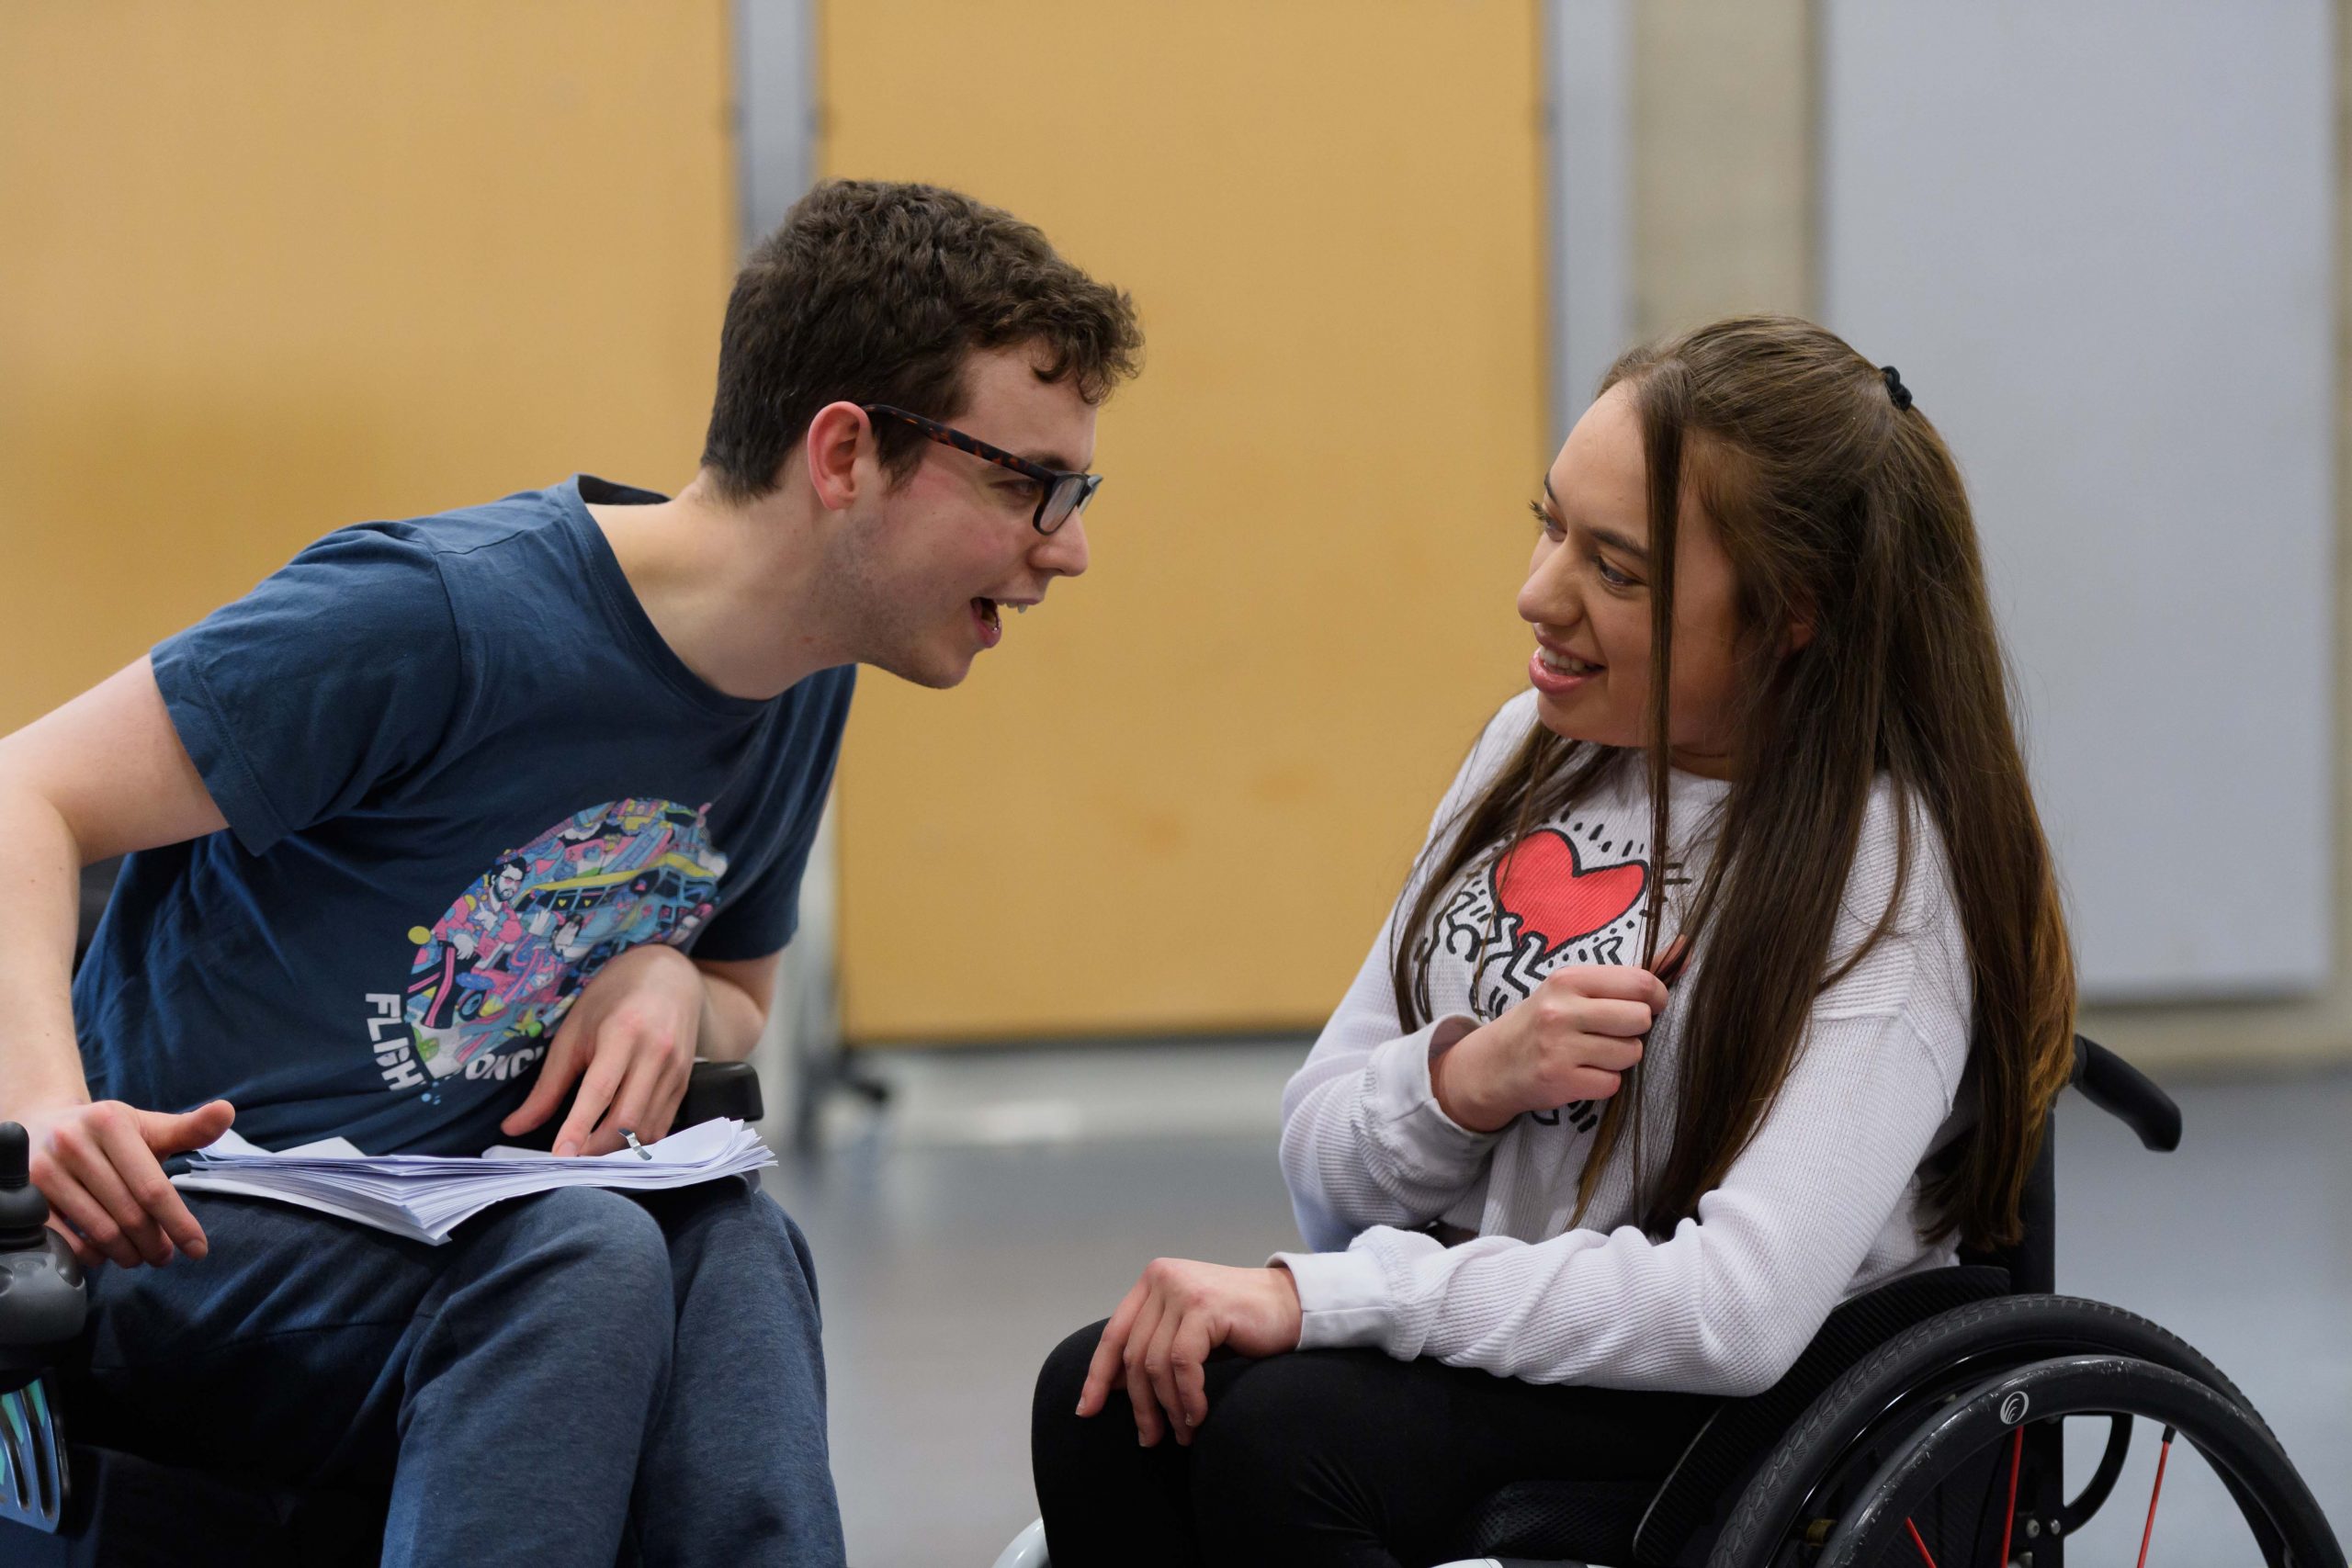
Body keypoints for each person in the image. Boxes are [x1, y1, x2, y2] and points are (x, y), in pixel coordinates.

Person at [0, 178, 1140, 1566]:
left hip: (469, 1231)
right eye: (1027, 483)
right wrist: (46, 1112)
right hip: (171, 1236)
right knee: (581, 1262)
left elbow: (737, 1000)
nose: (1067, 545)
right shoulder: (435, 615)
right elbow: (23, 790)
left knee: (736, 1252)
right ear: (844, 453)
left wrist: (670, 978)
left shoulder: (800, 684)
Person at [1030, 315, 2075, 1568]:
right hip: (1513, 1333)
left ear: (1794, 614)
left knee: (1281, 1442)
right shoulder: (1533, 749)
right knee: (1104, 1400)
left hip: (1733, 1413)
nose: (1538, 593)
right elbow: (1322, 1173)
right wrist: (1465, 1084)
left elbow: (1734, 1313)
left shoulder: (1885, 881)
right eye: (1551, 525)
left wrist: (1338, 1301)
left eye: (1618, 571)